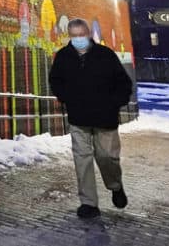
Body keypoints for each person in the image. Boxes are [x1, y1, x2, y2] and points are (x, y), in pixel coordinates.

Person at [49, 17, 133, 219]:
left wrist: (114, 102)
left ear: (88, 34)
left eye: (81, 35)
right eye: (74, 36)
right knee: (82, 160)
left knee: (107, 157)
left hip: (105, 118)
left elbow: (124, 83)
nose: (78, 39)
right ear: (69, 36)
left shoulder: (105, 55)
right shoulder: (63, 57)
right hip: (79, 118)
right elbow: (55, 80)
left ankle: (115, 185)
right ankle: (88, 203)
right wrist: (65, 96)